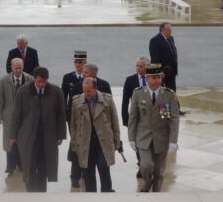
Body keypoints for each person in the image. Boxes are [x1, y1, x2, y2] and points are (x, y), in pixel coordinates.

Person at [10, 66, 66, 192]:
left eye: (44, 82)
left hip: (47, 136)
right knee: (29, 164)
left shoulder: (56, 92)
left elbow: (61, 115)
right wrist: (13, 135)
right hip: (29, 136)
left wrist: (61, 135)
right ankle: (30, 191)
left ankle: (41, 191)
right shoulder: (23, 92)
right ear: (34, 79)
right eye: (39, 81)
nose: (41, 84)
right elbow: (16, 115)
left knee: (44, 166)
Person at [128, 63, 180, 193]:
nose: (156, 80)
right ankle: (147, 182)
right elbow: (133, 117)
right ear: (147, 79)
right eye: (153, 77)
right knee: (146, 166)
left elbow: (174, 119)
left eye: (158, 77)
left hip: (161, 138)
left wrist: (173, 141)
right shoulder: (138, 93)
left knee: (159, 171)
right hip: (143, 137)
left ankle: (156, 193)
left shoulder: (169, 95)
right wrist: (131, 138)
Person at [70, 77, 123, 192]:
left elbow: (114, 122)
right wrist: (74, 143)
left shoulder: (107, 100)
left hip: (102, 140)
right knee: (88, 171)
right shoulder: (77, 101)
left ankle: (106, 191)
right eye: (84, 90)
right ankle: (91, 195)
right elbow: (73, 125)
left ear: (96, 88)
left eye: (89, 91)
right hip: (85, 141)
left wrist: (116, 141)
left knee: (104, 167)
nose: (86, 93)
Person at [0, 57, 33, 175]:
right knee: (10, 141)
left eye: (20, 68)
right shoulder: (3, 81)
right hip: (9, 116)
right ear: (11, 68)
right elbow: (0, 99)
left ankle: (22, 164)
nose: (18, 70)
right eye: (16, 68)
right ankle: (10, 166)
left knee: (23, 141)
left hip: (25, 116)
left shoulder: (30, 80)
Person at [62, 50, 87, 188]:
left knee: (86, 145)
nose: (78, 65)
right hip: (73, 118)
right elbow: (63, 97)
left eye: (81, 62)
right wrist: (65, 115)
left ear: (85, 63)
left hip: (88, 118)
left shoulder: (88, 78)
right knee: (76, 145)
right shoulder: (68, 78)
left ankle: (84, 171)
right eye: (76, 62)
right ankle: (74, 175)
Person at [121, 56, 149, 178]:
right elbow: (125, 101)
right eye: (136, 66)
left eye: (140, 66)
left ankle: (147, 164)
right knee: (138, 142)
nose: (138, 68)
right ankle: (142, 163)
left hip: (151, 117)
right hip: (137, 117)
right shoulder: (130, 80)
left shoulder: (154, 78)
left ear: (147, 67)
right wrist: (125, 119)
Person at [149, 22, 179, 93]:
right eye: (169, 29)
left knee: (172, 91)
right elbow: (154, 58)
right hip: (163, 73)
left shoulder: (171, 38)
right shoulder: (155, 40)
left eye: (171, 29)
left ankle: (173, 103)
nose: (171, 31)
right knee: (163, 93)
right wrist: (160, 71)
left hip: (172, 71)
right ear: (163, 30)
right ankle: (164, 104)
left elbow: (173, 52)